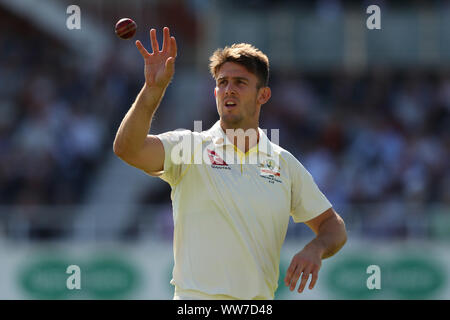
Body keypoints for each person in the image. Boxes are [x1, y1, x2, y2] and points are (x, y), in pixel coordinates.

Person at [113, 27, 347, 300]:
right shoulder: (188, 147)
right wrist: (152, 90)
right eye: (222, 83)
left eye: (240, 82)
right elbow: (128, 149)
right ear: (214, 94)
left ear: (263, 95)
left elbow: (333, 225)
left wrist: (316, 247)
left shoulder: (284, 164)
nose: (228, 90)